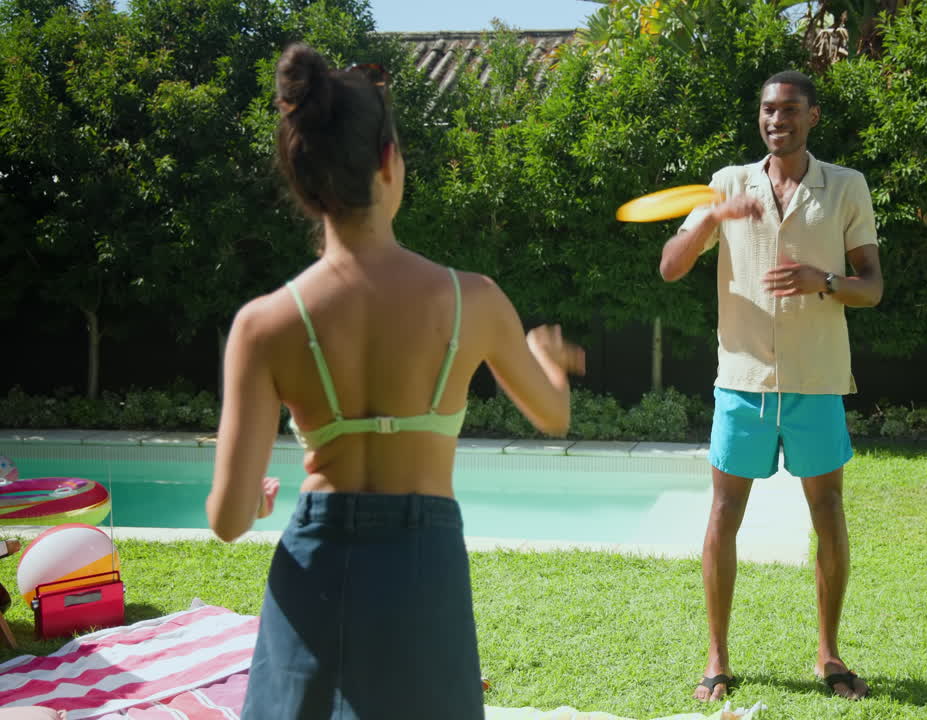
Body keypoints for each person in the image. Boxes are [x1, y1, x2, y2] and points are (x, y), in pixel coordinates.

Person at [206, 43, 585, 720]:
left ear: (306, 180)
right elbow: (553, 415)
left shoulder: (262, 325)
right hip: (423, 566)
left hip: (316, 566)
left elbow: (229, 520)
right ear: (387, 162)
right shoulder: (476, 301)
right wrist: (546, 357)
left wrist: (253, 502)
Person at [658, 70, 883, 702]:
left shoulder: (845, 187)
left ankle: (830, 655)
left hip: (815, 380)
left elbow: (873, 286)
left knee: (828, 512)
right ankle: (716, 659)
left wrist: (825, 280)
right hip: (743, 381)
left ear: (813, 117)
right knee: (724, 513)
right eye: (766, 110)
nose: (775, 119)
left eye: (788, 109)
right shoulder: (728, 183)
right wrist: (712, 218)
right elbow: (671, 267)